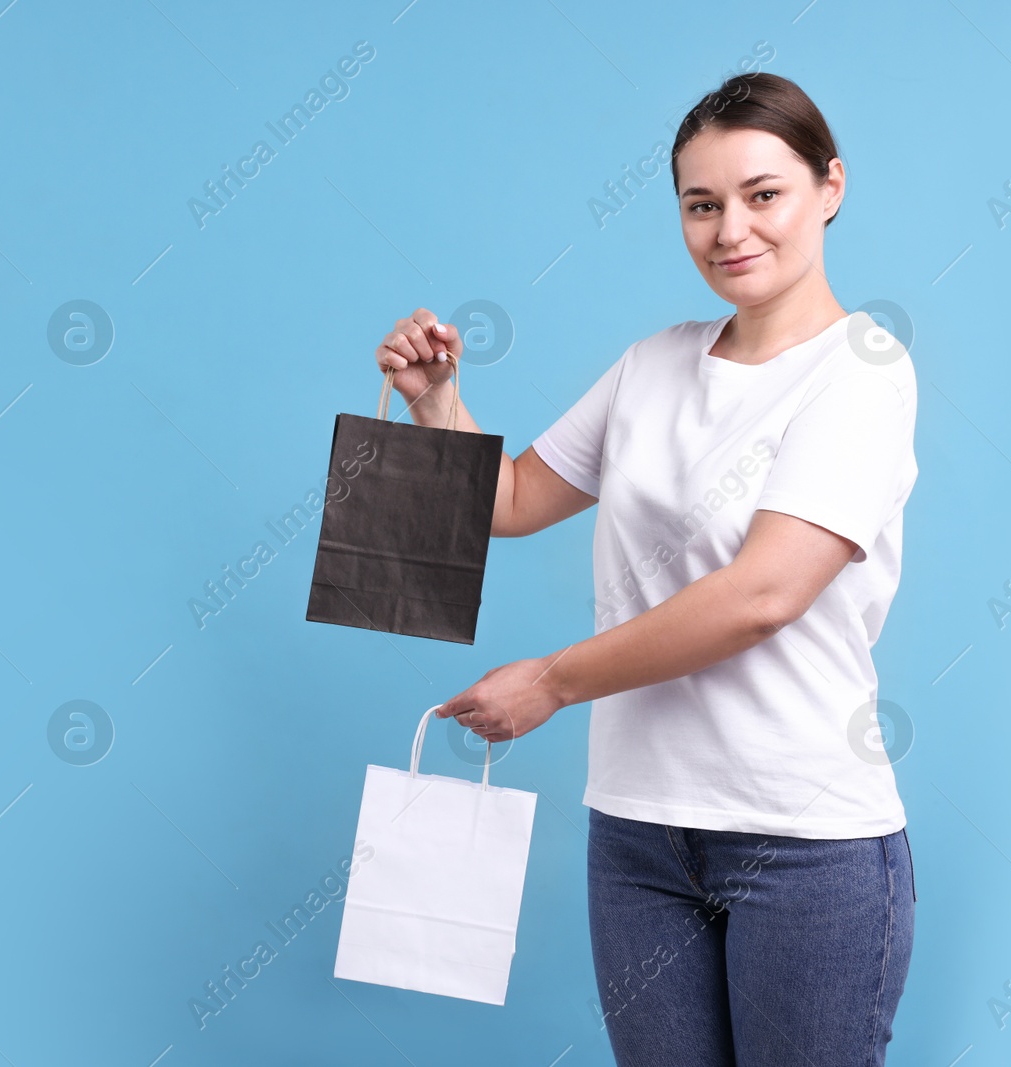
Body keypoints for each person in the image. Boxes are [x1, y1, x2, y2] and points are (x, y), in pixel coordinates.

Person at [373, 73, 917, 1065]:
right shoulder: (653, 363)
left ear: (828, 187)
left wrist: (549, 681)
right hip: (635, 832)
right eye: (700, 204)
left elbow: (762, 595)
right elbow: (509, 502)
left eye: (763, 194)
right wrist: (436, 403)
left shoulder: (863, 373)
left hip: (800, 839)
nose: (729, 229)